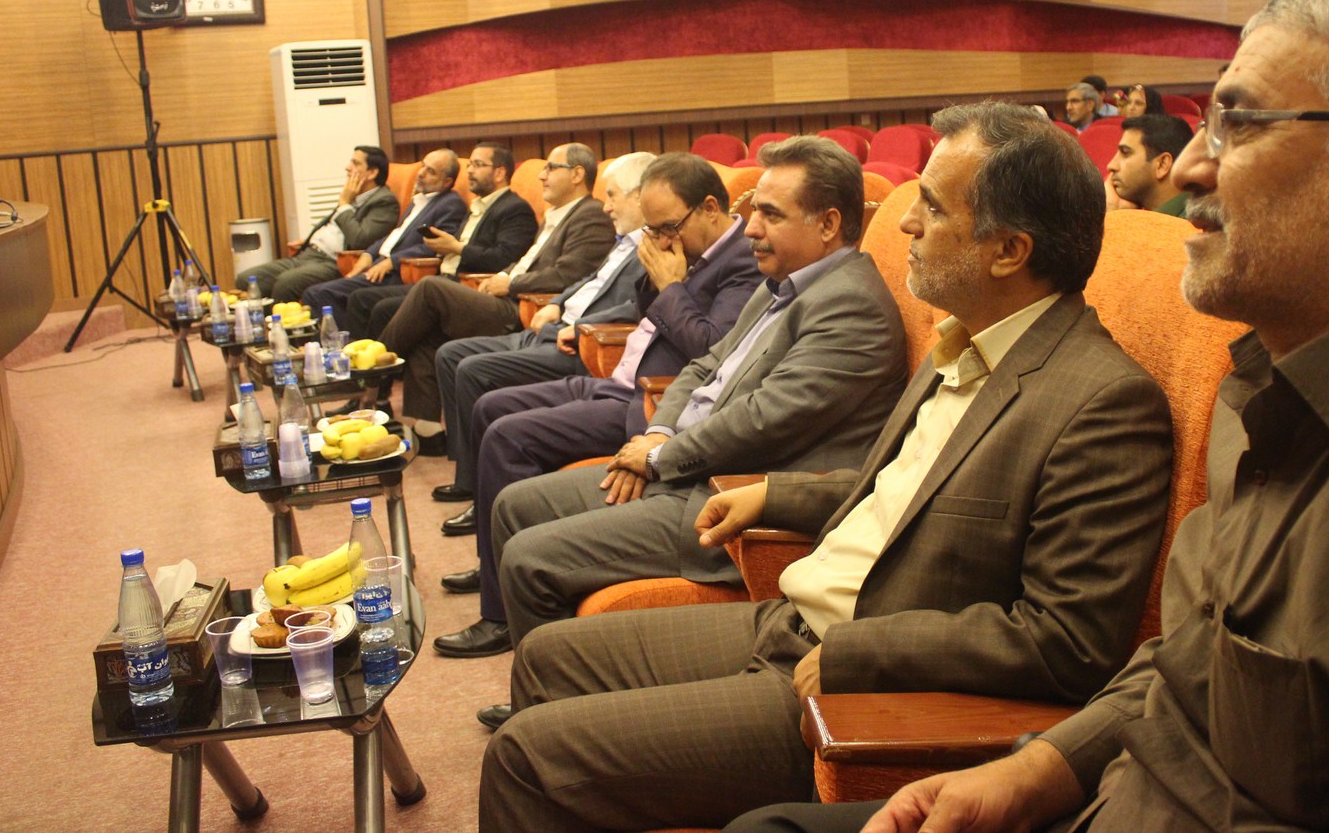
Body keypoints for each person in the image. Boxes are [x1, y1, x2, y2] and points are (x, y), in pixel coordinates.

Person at [725, 0, 1329, 833]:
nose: (1193, 165)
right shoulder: (1264, 390)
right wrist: (1037, 770)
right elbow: (1190, 665)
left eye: (1240, 124)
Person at [475, 107, 1175, 833]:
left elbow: (1066, 642)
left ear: (1009, 250)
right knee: (547, 657)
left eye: (933, 208)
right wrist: (774, 493)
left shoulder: (1102, 402)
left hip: (853, 673)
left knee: (527, 757)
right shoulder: (966, 341)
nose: (906, 224)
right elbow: (906, 490)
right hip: (791, 616)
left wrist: (857, 652)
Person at [431, 151, 766, 654]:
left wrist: (672, 285)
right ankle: (494, 567)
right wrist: (658, 272)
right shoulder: (688, 244)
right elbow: (646, 310)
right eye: (653, 230)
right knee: (490, 405)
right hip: (616, 376)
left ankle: (500, 615)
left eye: (668, 228)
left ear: (710, 209)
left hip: (648, 401)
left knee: (507, 436)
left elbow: (711, 350)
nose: (661, 240)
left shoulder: (743, 263)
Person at [429, 151, 656, 499]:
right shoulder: (625, 239)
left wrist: (578, 326)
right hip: (551, 324)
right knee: (450, 353)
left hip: (584, 345)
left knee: (472, 368)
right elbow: (589, 280)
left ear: (639, 196)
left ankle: (473, 487)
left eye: (612, 196)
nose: (606, 206)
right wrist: (555, 303)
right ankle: (470, 476)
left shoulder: (652, 244)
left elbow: (638, 307)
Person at [375, 143, 614, 438]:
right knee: (427, 336)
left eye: (551, 168)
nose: (542, 176)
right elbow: (526, 261)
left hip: (523, 309)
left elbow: (567, 275)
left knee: (430, 289)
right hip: (504, 294)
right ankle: (429, 431)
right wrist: (501, 277)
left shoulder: (590, 215)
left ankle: (373, 373)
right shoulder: (557, 214)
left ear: (577, 175)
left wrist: (510, 283)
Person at [340, 142, 537, 340]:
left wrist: (457, 248)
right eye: (469, 164)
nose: (469, 171)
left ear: (499, 173)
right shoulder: (476, 205)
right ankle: (362, 354)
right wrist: (441, 246)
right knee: (361, 298)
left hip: (466, 286)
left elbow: (504, 258)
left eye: (477, 165)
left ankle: (378, 358)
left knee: (384, 308)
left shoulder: (514, 209)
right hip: (442, 278)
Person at [299, 148, 467, 325]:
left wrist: (392, 261)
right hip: (378, 264)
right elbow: (395, 235)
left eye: (430, 171)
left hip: (399, 272)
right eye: (423, 166)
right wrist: (369, 253)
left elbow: (435, 246)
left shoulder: (450, 204)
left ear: (447, 181)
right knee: (318, 292)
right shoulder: (419, 200)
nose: (421, 173)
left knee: (318, 294)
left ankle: (345, 341)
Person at [236, 146, 399, 301]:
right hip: (308, 254)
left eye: (356, 164)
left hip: (333, 262)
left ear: (372, 173)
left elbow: (360, 239)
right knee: (246, 279)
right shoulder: (354, 195)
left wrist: (344, 204)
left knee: (286, 283)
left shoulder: (384, 202)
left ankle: (275, 319)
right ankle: (264, 318)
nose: (348, 168)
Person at [1106, 113, 1192, 216]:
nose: (1111, 165)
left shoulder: (1195, 222)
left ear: (1162, 164)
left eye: (1125, 152)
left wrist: (1114, 217)